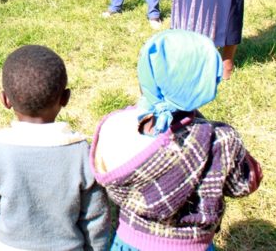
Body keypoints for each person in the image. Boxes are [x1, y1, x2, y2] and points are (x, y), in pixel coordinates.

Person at [91, 30, 262, 251]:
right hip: (192, 245)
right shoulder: (220, 140)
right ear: (208, 83)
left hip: (128, 242)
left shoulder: (115, 126)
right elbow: (243, 185)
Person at [0, 45, 110, 251]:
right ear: (65, 98)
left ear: (5, 100)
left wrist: (6, 230)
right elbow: (96, 218)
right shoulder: (81, 153)